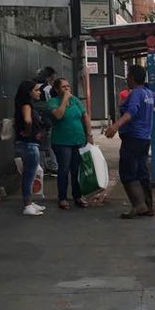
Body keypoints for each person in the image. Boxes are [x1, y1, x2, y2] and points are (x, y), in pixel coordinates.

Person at [104, 65, 155, 218]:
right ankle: (148, 206)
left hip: (133, 137)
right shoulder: (149, 94)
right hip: (144, 138)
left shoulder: (136, 94)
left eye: (128, 76)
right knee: (142, 171)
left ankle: (138, 205)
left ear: (133, 77)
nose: (126, 78)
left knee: (127, 172)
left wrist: (115, 125)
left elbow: (131, 112)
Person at [48, 77, 94, 210]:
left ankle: (78, 196)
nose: (67, 89)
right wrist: (64, 100)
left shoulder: (76, 101)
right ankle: (62, 197)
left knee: (77, 169)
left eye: (68, 86)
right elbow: (58, 115)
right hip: (62, 142)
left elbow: (85, 116)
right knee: (64, 168)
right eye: (63, 87)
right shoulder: (53, 102)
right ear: (57, 90)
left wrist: (89, 134)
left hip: (78, 140)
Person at [13, 80, 47, 217]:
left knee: (29, 175)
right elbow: (28, 120)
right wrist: (28, 131)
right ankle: (27, 205)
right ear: (29, 92)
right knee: (29, 175)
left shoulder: (23, 104)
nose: (39, 92)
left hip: (26, 144)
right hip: (29, 145)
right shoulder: (26, 105)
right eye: (36, 90)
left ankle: (30, 202)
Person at [34, 67, 59, 175]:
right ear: (49, 77)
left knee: (38, 144)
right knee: (50, 145)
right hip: (48, 120)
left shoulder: (32, 87)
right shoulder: (48, 89)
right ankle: (54, 166)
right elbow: (52, 105)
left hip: (36, 120)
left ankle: (41, 167)